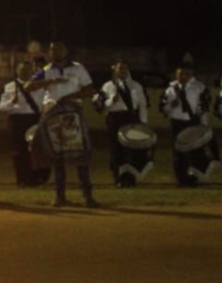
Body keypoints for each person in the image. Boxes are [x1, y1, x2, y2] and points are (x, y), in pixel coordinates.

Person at [26, 41, 99, 208]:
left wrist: (71, 97)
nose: (57, 52)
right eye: (53, 50)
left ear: (66, 50)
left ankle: (88, 197)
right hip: (53, 113)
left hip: (73, 112)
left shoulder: (78, 68)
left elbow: (89, 89)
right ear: (49, 53)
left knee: (81, 155)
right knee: (56, 156)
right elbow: (28, 86)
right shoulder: (45, 70)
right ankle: (60, 196)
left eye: (60, 48)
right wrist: (49, 81)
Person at [92, 59, 152, 187]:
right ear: (115, 70)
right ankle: (118, 177)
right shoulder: (108, 86)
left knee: (132, 149)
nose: (123, 71)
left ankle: (130, 177)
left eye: (125, 68)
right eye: (120, 68)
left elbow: (142, 105)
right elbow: (100, 106)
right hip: (115, 119)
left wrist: (143, 122)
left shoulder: (136, 85)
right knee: (117, 150)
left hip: (132, 118)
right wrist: (111, 102)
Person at [158, 57, 214, 187]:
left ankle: (193, 176)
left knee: (195, 151)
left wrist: (204, 126)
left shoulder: (199, 87)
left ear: (191, 74)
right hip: (177, 123)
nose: (183, 76)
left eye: (186, 74)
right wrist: (172, 105)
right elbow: (163, 109)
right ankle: (181, 179)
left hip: (193, 122)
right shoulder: (170, 89)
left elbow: (204, 108)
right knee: (179, 152)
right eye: (180, 74)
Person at [0, 60, 46, 187]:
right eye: (22, 69)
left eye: (28, 69)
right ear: (17, 70)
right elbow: (1, 107)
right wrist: (12, 102)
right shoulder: (9, 86)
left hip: (35, 118)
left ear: (33, 70)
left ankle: (37, 178)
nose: (25, 71)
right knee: (19, 151)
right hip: (17, 120)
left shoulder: (39, 85)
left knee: (37, 150)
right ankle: (22, 179)